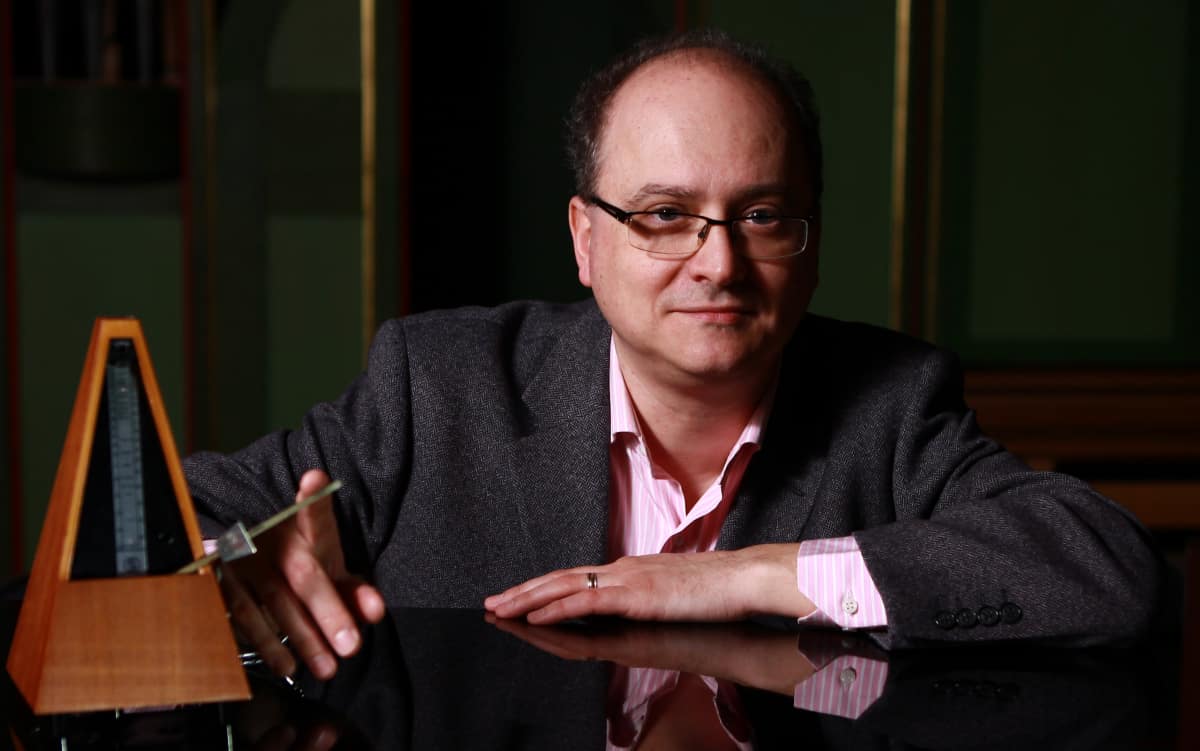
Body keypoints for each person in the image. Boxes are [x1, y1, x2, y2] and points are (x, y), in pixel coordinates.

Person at [184, 29, 1163, 681]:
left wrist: (749, 577)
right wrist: (227, 564)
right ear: (585, 239)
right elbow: (168, 511)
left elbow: (1111, 567)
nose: (719, 262)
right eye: (664, 215)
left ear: (812, 242)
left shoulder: (892, 405)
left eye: (763, 215)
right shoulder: (438, 385)